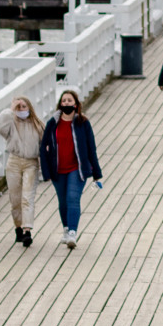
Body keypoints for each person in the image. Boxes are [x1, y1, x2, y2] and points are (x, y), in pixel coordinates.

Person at [39, 90, 103, 249]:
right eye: (64, 100)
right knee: (63, 201)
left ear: (76, 104)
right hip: (58, 169)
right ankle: (66, 229)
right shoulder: (52, 123)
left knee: (73, 197)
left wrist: (96, 172)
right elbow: (43, 148)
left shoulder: (83, 123)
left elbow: (91, 148)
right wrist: (45, 171)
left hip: (78, 168)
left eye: (69, 100)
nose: (66, 103)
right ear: (60, 104)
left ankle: (73, 233)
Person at [0, 96, 43, 247]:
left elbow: (46, 144)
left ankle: (27, 229)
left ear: (29, 107)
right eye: (19, 107)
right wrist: (11, 109)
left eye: (24, 106)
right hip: (14, 161)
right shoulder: (11, 123)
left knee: (27, 197)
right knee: (15, 199)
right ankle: (18, 227)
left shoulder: (37, 125)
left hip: (31, 163)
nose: (21, 109)